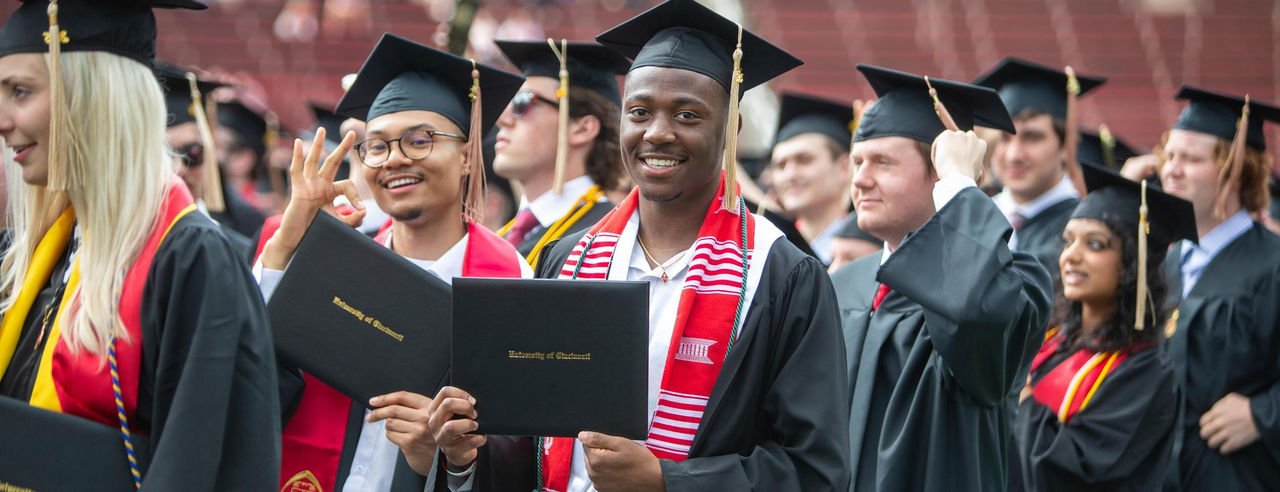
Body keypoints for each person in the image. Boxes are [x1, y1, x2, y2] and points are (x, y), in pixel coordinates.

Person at [422, 1, 851, 490]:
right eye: (640, 112)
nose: (658, 133)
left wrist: (668, 481)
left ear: (729, 128)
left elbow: (816, 472)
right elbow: (532, 447)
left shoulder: (781, 277)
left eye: (687, 114)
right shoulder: (567, 259)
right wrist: (465, 455)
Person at [0, 0, 280, 488]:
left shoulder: (189, 261)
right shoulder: (32, 254)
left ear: (93, 96)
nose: (2, 120)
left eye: (20, 92)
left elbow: (199, 466)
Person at [255, 33, 529, 492]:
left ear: (465, 157)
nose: (394, 159)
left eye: (419, 140)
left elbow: (523, 449)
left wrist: (441, 457)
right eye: (377, 146)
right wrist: (290, 243)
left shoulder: (512, 282)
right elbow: (252, 373)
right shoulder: (337, 266)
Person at [830, 64, 1053, 491]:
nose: (860, 179)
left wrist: (959, 183)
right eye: (857, 161)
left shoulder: (1010, 284)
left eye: (882, 162)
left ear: (938, 173)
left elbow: (974, 312)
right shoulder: (843, 285)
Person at [1014, 163, 1194, 491]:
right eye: (1068, 241)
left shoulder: (1144, 372)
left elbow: (1075, 471)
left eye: (1094, 245)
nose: (1071, 256)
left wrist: (1022, 400)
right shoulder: (1051, 338)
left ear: (1133, 262)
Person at [1157, 86, 1280, 490]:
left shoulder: (1274, 263)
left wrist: (1263, 414)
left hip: (1240, 476)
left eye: (1191, 159)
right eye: (1169, 155)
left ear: (1236, 169)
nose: (1172, 169)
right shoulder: (1166, 262)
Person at [491, 39, 629, 265]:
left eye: (522, 103)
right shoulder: (501, 237)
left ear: (582, 128)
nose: (502, 119)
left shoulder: (610, 236)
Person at [973, 57, 1104, 279]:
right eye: (1005, 138)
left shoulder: (1082, 227)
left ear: (1065, 146)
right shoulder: (977, 215)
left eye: (1032, 137)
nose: (1014, 155)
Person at [155, 64, 255, 261]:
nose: (179, 168)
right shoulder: (117, 252)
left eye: (192, 153)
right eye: (164, 155)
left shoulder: (239, 255)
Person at [769, 92, 855, 265]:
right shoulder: (771, 250)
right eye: (780, 165)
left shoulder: (867, 248)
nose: (790, 175)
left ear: (845, 167)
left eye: (804, 160)